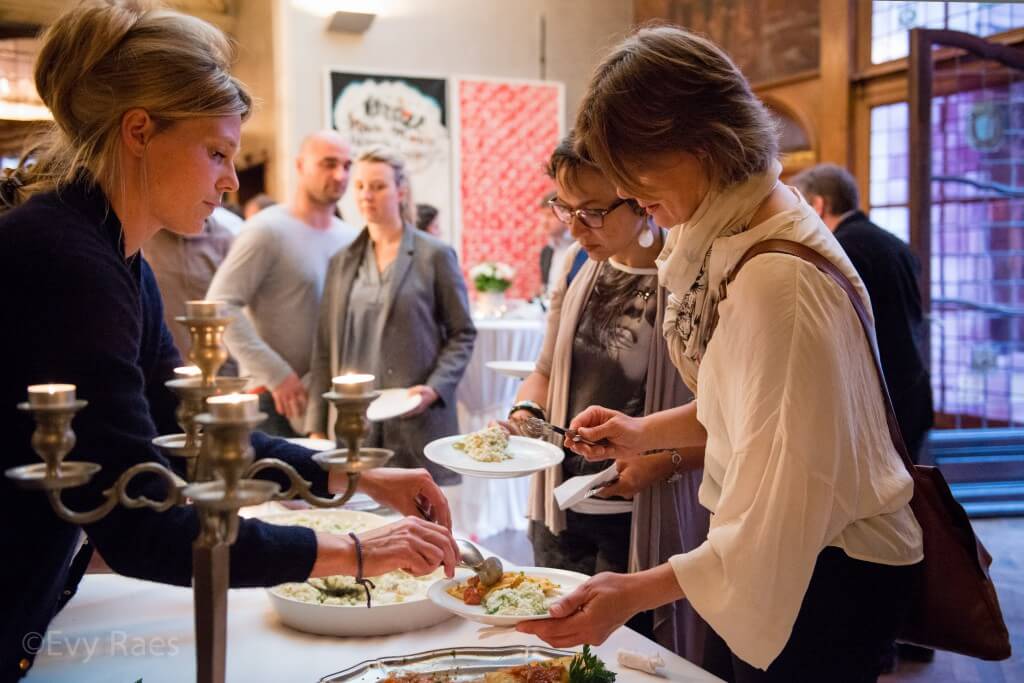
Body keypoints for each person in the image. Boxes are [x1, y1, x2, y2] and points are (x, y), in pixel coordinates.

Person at [0, 4, 456, 680]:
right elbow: (137, 525)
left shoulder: (118, 261)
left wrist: (354, 475)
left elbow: (191, 436)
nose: (231, 181)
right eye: (216, 152)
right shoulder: (66, 261)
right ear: (139, 131)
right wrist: (355, 548)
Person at [518, 26, 923, 683]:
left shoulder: (777, 285)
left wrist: (630, 589)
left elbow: (776, 514)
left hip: (827, 571)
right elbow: (745, 406)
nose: (626, 187)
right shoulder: (740, 227)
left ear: (701, 143)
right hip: (803, 551)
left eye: (634, 168)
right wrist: (644, 432)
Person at [513, 136, 709, 660]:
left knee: (629, 659)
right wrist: (525, 412)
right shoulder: (578, 265)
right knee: (553, 651)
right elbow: (544, 371)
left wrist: (663, 461)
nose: (575, 228)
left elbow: (730, 420)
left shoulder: (688, 279)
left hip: (643, 516)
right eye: (565, 208)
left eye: (593, 212)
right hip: (563, 502)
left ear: (637, 196)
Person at [791, 163, 936, 668]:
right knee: (905, 509)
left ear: (819, 206)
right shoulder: (891, 241)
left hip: (880, 403)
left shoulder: (841, 249)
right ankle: (908, 634)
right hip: (913, 391)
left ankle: (885, 639)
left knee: (871, 517)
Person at [307, 148, 476, 485]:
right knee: (361, 521)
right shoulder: (341, 261)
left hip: (414, 418)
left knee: (421, 520)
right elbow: (324, 346)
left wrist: (434, 389)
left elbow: (463, 333)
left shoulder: (434, 256)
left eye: (378, 186)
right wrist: (315, 424)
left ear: (401, 191)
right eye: (360, 186)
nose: (366, 196)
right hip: (356, 422)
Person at [206, 130, 358, 436]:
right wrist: (277, 374)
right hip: (274, 398)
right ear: (300, 165)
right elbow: (218, 306)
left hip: (328, 400)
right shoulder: (267, 230)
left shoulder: (350, 238)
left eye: (346, 165)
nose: (340, 174)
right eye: (328, 163)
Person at [143, 214, 236, 367]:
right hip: (160, 365)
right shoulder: (145, 238)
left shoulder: (224, 238)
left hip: (217, 365)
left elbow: (235, 308)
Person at [538, 191, 574, 296]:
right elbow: (545, 287)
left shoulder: (582, 250)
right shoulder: (547, 251)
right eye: (542, 215)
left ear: (566, 215)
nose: (544, 221)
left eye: (549, 215)